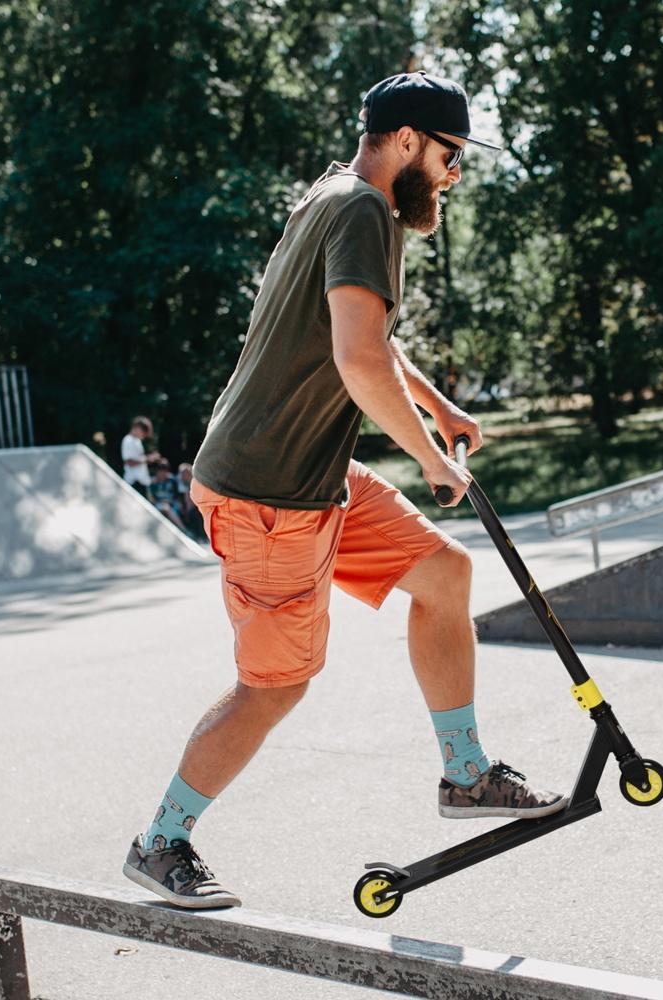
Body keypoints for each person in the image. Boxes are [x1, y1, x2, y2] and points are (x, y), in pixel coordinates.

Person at [123, 71, 566, 909]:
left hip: (315, 474)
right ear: (406, 141)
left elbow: (364, 338)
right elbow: (358, 361)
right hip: (265, 491)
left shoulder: (331, 196)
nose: (452, 175)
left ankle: (465, 774)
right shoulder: (364, 211)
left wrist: (439, 408)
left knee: (443, 576)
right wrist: (431, 459)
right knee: (276, 684)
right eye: (448, 156)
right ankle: (162, 840)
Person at [120, 417, 159, 498]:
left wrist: (150, 459)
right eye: (144, 432)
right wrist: (147, 458)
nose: (144, 435)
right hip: (134, 483)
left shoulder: (137, 441)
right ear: (137, 427)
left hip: (141, 483)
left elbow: (139, 460)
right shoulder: (128, 440)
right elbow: (129, 462)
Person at [148, 459, 188, 533]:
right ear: (157, 471)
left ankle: (181, 529)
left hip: (173, 503)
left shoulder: (172, 480)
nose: (163, 474)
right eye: (161, 471)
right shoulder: (152, 483)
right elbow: (151, 500)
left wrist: (180, 503)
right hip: (159, 505)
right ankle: (183, 529)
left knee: (178, 509)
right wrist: (161, 501)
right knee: (165, 508)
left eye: (165, 471)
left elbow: (178, 494)